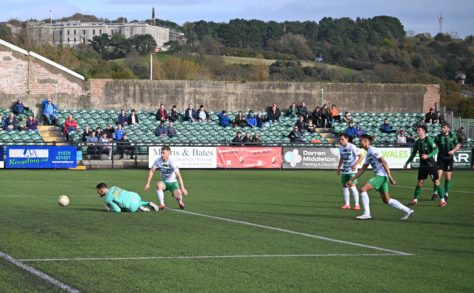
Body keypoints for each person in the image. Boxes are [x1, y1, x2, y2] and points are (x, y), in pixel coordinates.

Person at [347, 134, 414, 220]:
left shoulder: (372, 150)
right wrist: (352, 179)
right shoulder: (368, 153)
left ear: (366, 142)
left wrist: (390, 177)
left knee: (363, 189)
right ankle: (408, 210)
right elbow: (363, 169)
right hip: (382, 176)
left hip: (381, 176)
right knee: (387, 200)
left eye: (360, 141)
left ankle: (367, 214)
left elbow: (384, 162)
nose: (359, 142)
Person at [404, 125, 446, 207]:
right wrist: (407, 163)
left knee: (436, 182)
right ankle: (415, 200)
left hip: (431, 165)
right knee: (420, 183)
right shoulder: (417, 142)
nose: (417, 131)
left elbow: (437, 150)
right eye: (417, 130)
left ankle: (443, 201)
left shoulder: (429, 140)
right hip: (422, 165)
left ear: (423, 131)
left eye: (419, 130)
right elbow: (413, 154)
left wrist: (428, 156)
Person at [144, 146, 187, 210]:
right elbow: (152, 171)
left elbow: (178, 176)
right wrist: (148, 183)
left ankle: (180, 202)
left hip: (173, 183)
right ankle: (162, 204)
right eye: (161, 153)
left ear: (169, 153)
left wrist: (183, 188)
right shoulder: (158, 160)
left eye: (164, 153)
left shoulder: (173, 162)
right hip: (164, 182)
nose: (162, 154)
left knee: (178, 197)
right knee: (158, 185)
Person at [431, 123, 461, 202]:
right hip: (440, 158)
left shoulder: (452, 136)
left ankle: (446, 194)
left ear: (448, 129)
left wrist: (453, 151)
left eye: (444, 127)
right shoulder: (438, 137)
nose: (442, 129)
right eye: (442, 127)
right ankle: (435, 192)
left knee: (448, 177)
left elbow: (458, 145)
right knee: (437, 177)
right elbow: (433, 146)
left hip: (449, 159)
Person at [337, 134, 364, 210]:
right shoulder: (341, 147)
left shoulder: (352, 146)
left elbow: (361, 156)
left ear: (347, 139)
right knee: (345, 187)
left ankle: (357, 204)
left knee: (352, 186)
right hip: (345, 170)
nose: (341, 141)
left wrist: (355, 164)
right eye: (340, 139)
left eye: (342, 139)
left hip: (352, 171)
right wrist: (339, 167)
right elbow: (342, 158)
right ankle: (347, 204)